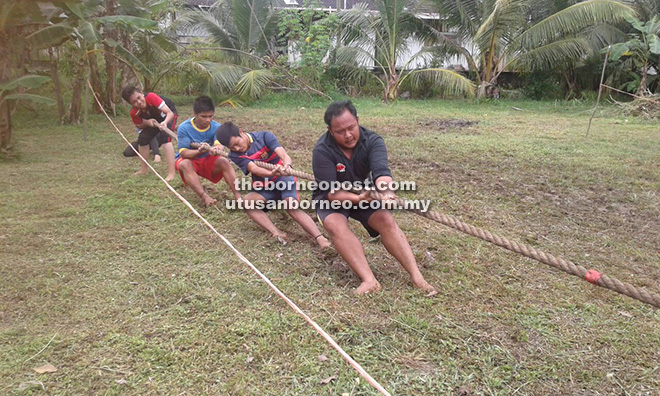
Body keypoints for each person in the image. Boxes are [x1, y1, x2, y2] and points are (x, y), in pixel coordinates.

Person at [312, 100, 436, 295]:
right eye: (340, 131)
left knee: (386, 219)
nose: (348, 135)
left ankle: (417, 277)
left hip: (366, 191)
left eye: (351, 128)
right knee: (334, 225)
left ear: (358, 121)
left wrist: (386, 193)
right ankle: (369, 280)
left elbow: (382, 173)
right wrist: (360, 199)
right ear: (330, 130)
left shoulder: (373, 141)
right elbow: (332, 193)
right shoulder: (322, 150)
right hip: (333, 195)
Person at [216, 122, 331, 249]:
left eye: (237, 143)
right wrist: (271, 173)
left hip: (284, 179)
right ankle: (275, 232)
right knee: (246, 202)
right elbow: (254, 169)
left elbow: (283, 154)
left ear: (241, 132)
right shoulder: (235, 155)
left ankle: (320, 238)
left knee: (290, 206)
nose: (237, 148)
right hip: (264, 186)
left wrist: (286, 165)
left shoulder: (264, 136)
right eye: (232, 147)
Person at [175, 96, 241, 207]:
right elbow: (184, 153)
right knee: (184, 164)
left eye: (210, 116)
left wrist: (217, 149)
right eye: (203, 116)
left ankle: (238, 197)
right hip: (190, 159)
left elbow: (218, 144)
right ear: (195, 114)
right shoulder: (183, 128)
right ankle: (204, 196)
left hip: (207, 159)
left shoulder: (216, 127)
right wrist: (199, 151)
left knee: (224, 161)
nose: (208, 120)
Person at [120, 85, 177, 181]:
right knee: (143, 139)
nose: (138, 102)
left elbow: (169, 113)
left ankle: (171, 173)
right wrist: (147, 122)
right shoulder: (134, 112)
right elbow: (139, 125)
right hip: (153, 120)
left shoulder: (151, 97)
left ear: (142, 93)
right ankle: (143, 170)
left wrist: (165, 123)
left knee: (164, 138)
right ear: (131, 104)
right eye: (134, 102)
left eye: (139, 98)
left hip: (168, 114)